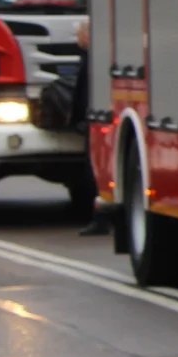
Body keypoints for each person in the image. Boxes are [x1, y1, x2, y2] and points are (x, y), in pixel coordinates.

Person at [74, 20, 111, 237]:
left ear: (89, 34)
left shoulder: (94, 60)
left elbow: (85, 93)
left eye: (78, 34)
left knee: (96, 172)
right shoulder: (94, 57)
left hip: (96, 122)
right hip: (94, 120)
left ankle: (101, 219)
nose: (76, 39)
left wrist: (82, 119)